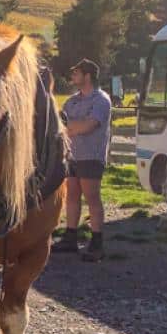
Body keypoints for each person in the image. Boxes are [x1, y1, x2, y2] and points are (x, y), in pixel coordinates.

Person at [57, 58, 111, 261]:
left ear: (87, 76)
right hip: (71, 155)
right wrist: (73, 127)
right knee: (71, 196)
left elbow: (89, 126)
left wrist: (70, 127)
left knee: (92, 198)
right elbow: (61, 126)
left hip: (91, 156)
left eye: (76, 72)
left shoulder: (101, 100)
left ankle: (97, 243)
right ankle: (70, 237)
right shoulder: (71, 101)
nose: (73, 76)